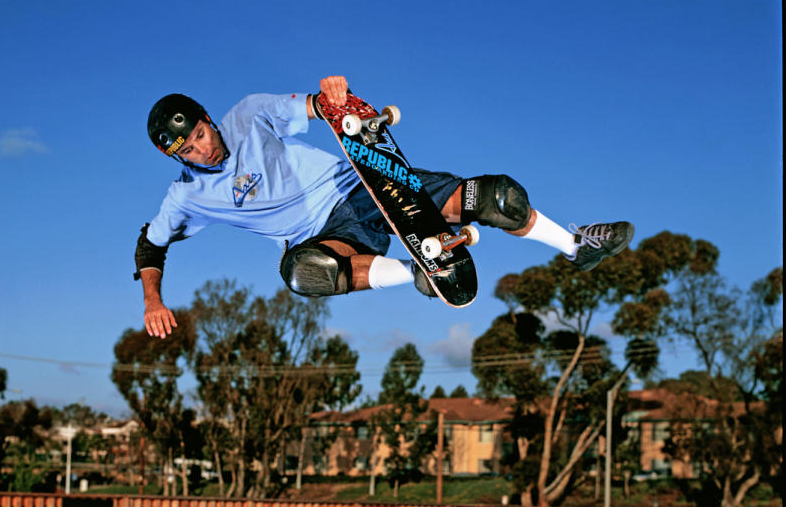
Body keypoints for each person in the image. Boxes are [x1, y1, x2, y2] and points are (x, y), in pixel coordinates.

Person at [134, 75, 635, 338]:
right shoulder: (186, 197)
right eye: (189, 149)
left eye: (201, 133)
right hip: (326, 233)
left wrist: (332, 95)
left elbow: (315, 106)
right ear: (174, 156)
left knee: (498, 197)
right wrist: (152, 301)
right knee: (302, 273)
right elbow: (150, 247)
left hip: (362, 182)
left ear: (205, 118)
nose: (204, 148)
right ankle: (416, 271)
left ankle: (575, 245)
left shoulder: (246, 114)